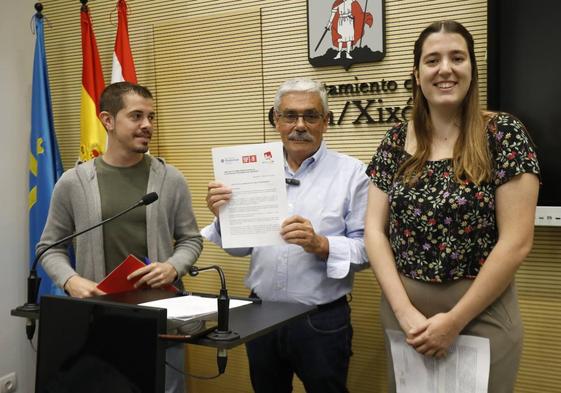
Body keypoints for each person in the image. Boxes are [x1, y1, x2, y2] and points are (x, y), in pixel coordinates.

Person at [364, 20, 540, 393]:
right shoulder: (395, 140)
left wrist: (454, 321)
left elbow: (516, 242)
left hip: (481, 316)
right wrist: (404, 312)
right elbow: (373, 232)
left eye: (457, 57)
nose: (445, 69)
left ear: (471, 69)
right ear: (417, 73)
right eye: (432, 60)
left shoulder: (504, 134)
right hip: (404, 316)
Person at [203, 78, 369, 393]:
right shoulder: (248, 171)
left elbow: (368, 251)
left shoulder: (353, 174)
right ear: (276, 120)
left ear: (327, 122)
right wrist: (225, 217)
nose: (300, 125)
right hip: (259, 315)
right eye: (290, 116)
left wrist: (321, 244)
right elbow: (240, 251)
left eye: (311, 116)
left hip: (320, 320)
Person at [37, 81, 203, 393]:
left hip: (161, 320)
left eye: (151, 117)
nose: (147, 125)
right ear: (108, 120)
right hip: (98, 322)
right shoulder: (73, 183)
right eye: (137, 116)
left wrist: (173, 267)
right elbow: (49, 247)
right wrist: (70, 280)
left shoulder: (171, 179)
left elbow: (191, 239)